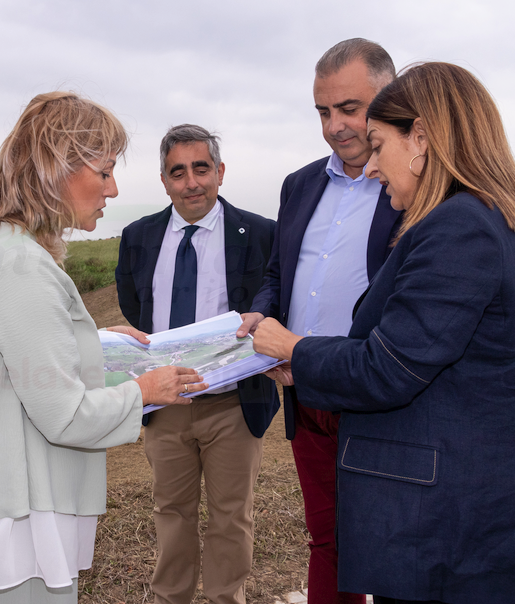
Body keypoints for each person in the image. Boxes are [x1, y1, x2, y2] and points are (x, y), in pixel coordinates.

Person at [0, 92, 208, 604]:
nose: (114, 188)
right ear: (56, 169)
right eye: (104, 171)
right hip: (18, 515)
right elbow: (66, 416)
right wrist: (145, 390)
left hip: (1, 501)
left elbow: (14, 360)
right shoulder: (20, 265)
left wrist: (94, 343)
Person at [253, 61, 515, 604]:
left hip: (445, 521)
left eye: (376, 145)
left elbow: (390, 367)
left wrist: (294, 348)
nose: (370, 168)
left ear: (419, 138)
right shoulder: (475, 219)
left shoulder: (458, 227)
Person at [236, 38, 401, 604]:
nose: (334, 126)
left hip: (378, 394)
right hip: (304, 393)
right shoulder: (300, 184)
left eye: (349, 109)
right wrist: (265, 311)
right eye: (323, 112)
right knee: (327, 539)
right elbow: (279, 272)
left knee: (393, 542)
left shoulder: (415, 187)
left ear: (390, 97)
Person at [115, 124, 278, 604]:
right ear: (164, 181)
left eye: (201, 169)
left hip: (233, 404)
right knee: (171, 512)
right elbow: (134, 304)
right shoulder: (138, 237)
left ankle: (228, 598)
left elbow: (272, 300)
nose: (192, 183)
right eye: (178, 172)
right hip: (166, 405)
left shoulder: (261, 233)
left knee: (232, 516)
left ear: (220, 172)